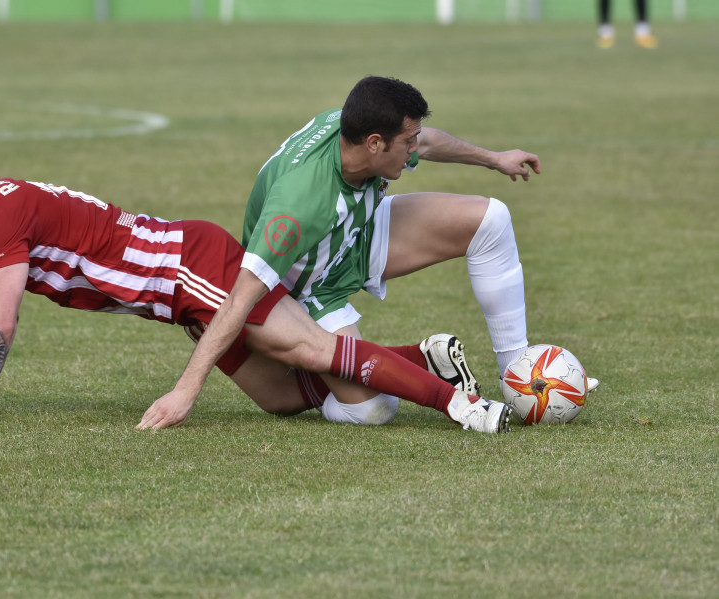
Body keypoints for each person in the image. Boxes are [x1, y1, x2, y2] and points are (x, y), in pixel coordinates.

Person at [0, 137, 511, 433]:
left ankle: (462, 408)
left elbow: (1, 320)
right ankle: (423, 358)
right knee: (286, 398)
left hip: (188, 267)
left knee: (314, 352)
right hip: (174, 294)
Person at [140, 75, 596, 430]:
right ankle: (366, 365)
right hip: (308, 288)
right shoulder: (299, 206)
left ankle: (518, 376)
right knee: (376, 409)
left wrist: (494, 157)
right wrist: (184, 391)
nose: (415, 150)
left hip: (356, 234)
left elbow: (429, 140)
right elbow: (240, 296)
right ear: (374, 143)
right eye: (407, 143)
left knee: (490, 220)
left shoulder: (361, 133)